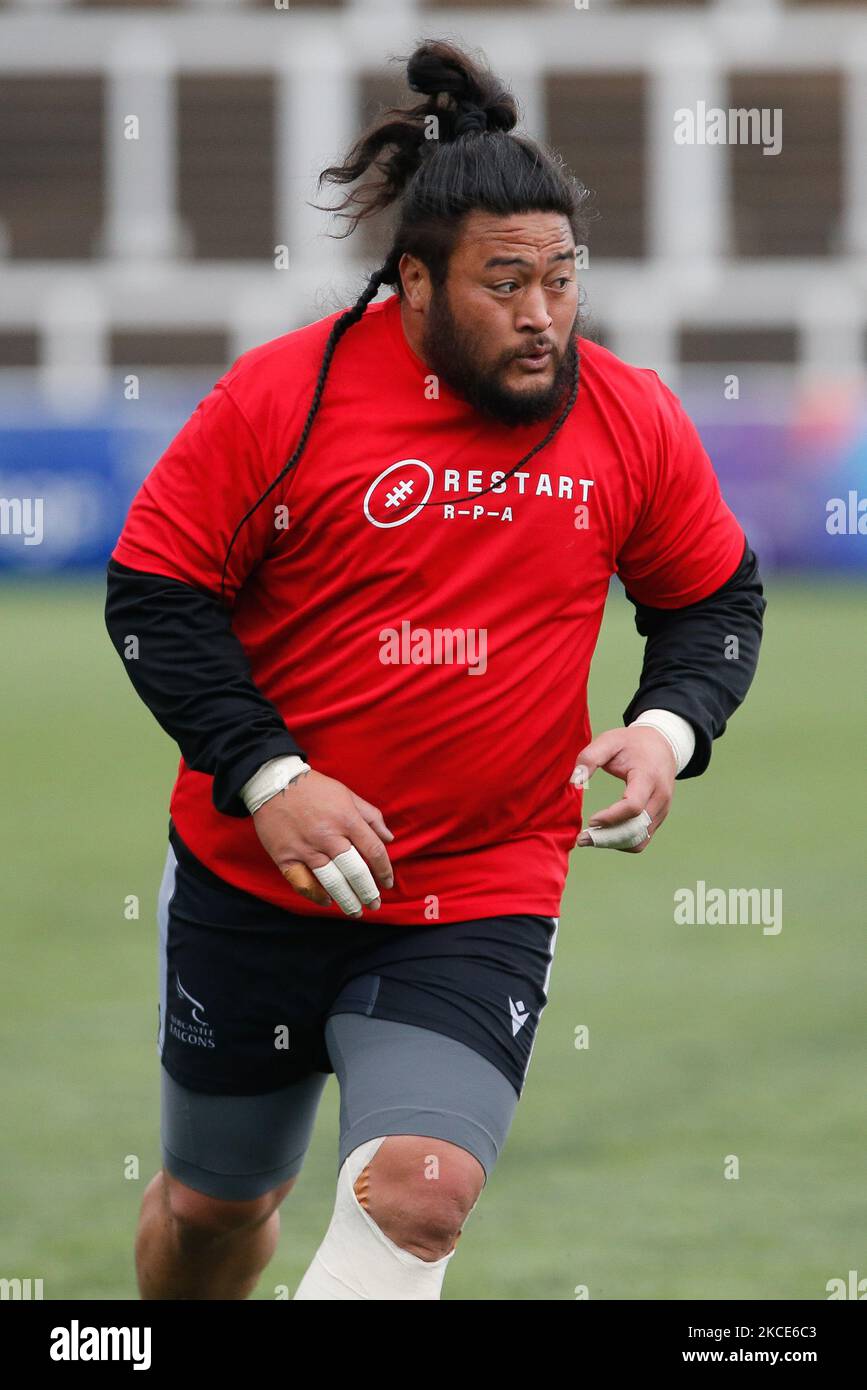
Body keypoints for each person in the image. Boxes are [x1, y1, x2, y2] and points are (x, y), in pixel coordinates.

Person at [104, 38, 765, 1300]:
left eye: (562, 280)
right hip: (255, 879)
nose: (542, 316)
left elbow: (713, 598)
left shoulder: (627, 414)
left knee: (421, 1196)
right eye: (504, 282)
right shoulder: (281, 399)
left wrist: (667, 727)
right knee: (211, 1208)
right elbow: (156, 593)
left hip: (479, 886)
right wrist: (268, 775)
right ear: (413, 280)